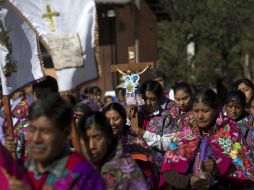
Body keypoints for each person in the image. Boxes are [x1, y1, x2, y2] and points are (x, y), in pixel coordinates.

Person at [160, 88, 254, 190]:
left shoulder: (230, 132)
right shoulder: (187, 130)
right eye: (196, 111)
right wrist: (189, 180)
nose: (200, 116)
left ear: (216, 109)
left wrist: (217, 168)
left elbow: (247, 170)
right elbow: (168, 170)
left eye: (205, 111)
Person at [8, 95, 105, 189]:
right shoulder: (18, 169)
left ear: (66, 132)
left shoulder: (84, 174)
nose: (36, 139)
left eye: (45, 131)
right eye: (32, 130)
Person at [126, 80, 177, 189]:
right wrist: (127, 119)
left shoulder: (166, 117)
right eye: (145, 98)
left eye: (152, 99)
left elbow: (170, 144)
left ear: (159, 99)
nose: (148, 103)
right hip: (134, 167)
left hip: (157, 169)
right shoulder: (134, 114)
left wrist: (144, 134)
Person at [79, 112, 148, 190]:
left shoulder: (129, 139)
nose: (91, 146)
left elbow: (145, 148)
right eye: (85, 139)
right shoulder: (78, 166)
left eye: (97, 138)